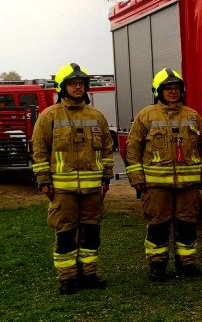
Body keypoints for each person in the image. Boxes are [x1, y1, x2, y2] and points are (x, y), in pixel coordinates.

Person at [31, 63, 115, 295]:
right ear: (62, 87)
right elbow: (39, 150)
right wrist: (44, 180)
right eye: (72, 84)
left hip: (92, 190)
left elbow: (107, 150)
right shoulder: (49, 115)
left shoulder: (97, 116)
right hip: (63, 189)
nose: (78, 88)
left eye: (81, 84)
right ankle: (67, 278)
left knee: (91, 233)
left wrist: (106, 178)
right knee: (65, 234)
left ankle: (89, 274)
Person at [125, 68, 202, 281]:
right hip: (156, 187)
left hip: (188, 186)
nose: (173, 92)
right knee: (158, 226)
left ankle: (187, 264)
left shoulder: (193, 116)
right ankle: (157, 266)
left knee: (187, 225)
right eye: (168, 89)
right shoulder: (145, 116)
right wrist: (137, 179)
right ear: (158, 91)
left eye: (177, 89)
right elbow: (133, 148)